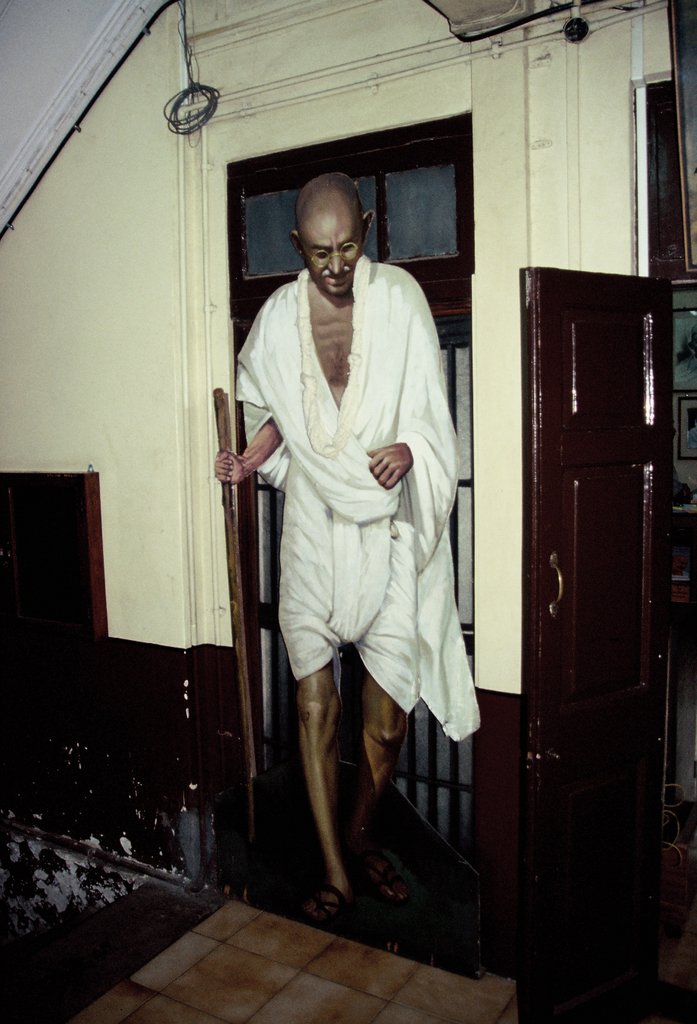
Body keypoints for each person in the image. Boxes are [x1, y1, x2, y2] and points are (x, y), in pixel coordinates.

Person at [215, 172, 479, 923]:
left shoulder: (399, 299)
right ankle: (335, 869)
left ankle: (360, 832)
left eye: (347, 248)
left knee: (387, 721)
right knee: (313, 705)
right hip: (312, 526)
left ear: (366, 228)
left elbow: (429, 414)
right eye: (319, 252)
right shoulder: (277, 317)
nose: (335, 266)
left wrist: (407, 449)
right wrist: (248, 458)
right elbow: (281, 413)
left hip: (383, 527)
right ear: (297, 244)